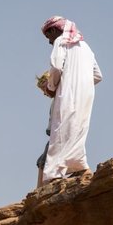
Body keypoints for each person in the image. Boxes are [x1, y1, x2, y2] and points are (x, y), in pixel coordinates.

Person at [38, 16, 102, 184]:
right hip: (86, 95)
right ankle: (80, 168)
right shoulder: (87, 48)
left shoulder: (61, 41)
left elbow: (57, 67)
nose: (49, 42)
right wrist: (82, 82)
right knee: (77, 129)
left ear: (54, 30)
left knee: (61, 130)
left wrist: (50, 87)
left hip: (68, 94)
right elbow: (98, 75)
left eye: (48, 36)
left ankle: (53, 176)